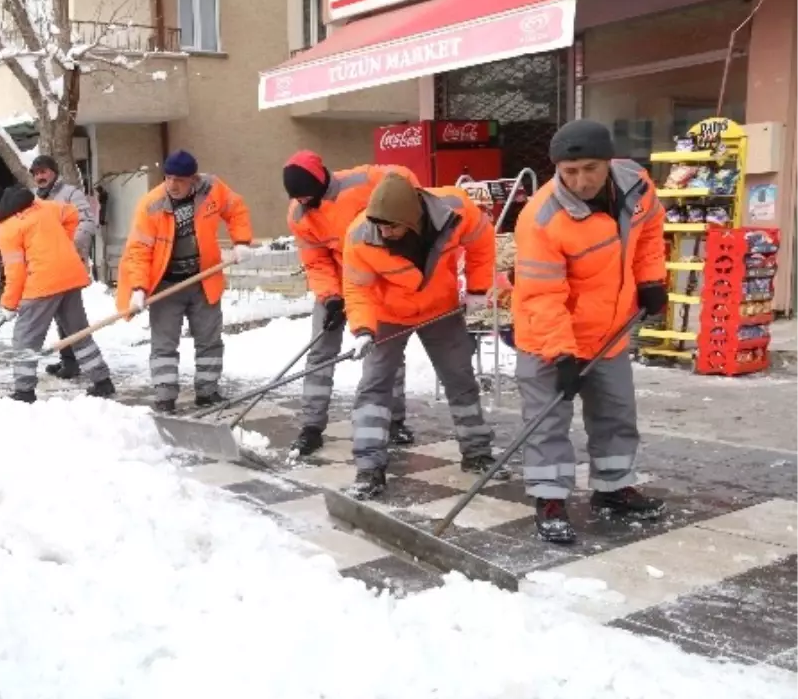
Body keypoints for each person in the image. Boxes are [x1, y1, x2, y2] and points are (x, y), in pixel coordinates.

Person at [512, 119, 667, 543]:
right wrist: (562, 353)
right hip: (547, 338)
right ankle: (549, 498)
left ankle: (614, 488)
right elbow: (541, 295)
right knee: (548, 423)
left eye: (590, 169)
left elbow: (651, 230)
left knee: (616, 413)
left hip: (609, 331)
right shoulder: (542, 218)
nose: (580, 181)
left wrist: (651, 279)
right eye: (569, 172)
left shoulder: (636, 185)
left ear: (609, 163)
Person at [342, 173, 505, 500]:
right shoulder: (361, 236)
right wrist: (362, 328)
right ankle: (369, 468)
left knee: (460, 377)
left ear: (412, 219)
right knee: (375, 384)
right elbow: (357, 289)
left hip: (438, 308)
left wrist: (476, 288)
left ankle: (477, 453)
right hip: (388, 313)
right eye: (380, 226)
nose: (384, 233)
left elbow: (482, 240)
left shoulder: (455, 210)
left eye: (392, 227)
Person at [282, 149, 424, 457]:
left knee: (385, 352)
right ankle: (311, 426)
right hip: (336, 282)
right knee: (320, 352)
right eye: (299, 198)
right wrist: (331, 297)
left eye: (308, 196)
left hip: (374, 279)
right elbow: (315, 261)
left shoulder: (363, 181)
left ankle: (394, 421)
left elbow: (404, 180)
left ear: (321, 182)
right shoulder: (298, 215)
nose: (305, 203)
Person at [116, 150, 253, 413]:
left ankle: (207, 392)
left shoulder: (212, 188)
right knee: (164, 344)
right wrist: (138, 288)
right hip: (166, 286)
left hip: (204, 280)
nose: (172, 184)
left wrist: (242, 242)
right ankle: (165, 398)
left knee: (209, 340)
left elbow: (236, 209)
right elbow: (138, 251)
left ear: (193, 179)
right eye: (168, 177)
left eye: (179, 179)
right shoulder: (151, 205)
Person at [0, 184, 115, 403]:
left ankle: (24, 392)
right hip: (70, 275)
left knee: (25, 337)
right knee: (78, 332)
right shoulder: (43, 206)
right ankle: (102, 381)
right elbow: (72, 213)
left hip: (42, 283)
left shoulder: (6, 229)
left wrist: (9, 304)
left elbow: (15, 274)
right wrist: (64, 244)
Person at [28, 155, 99, 381]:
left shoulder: (70, 194)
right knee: (61, 316)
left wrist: (72, 248)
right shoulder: (35, 200)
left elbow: (88, 222)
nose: (40, 176)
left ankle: (78, 363)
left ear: (54, 172)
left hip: (68, 263)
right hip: (48, 266)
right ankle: (69, 361)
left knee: (71, 316)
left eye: (44, 171)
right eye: (36, 173)